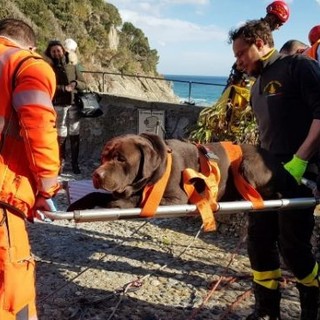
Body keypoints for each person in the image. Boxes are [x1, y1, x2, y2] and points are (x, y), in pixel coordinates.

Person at [229, 19, 320, 319]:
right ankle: (267, 310)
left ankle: (312, 307)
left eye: (242, 53)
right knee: (259, 242)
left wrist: (301, 160)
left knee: (294, 248)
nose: (239, 62)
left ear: (260, 42)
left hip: (300, 173)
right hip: (266, 175)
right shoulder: (257, 85)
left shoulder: (298, 67)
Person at [0, 18, 60, 319]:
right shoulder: (28, 65)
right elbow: (39, 128)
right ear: (33, 46)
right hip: (1, 198)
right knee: (13, 291)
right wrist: (48, 188)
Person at [44, 39, 87, 174]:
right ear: (50, 53)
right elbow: (47, 86)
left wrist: (75, 83)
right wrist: (64, 88)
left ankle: (75, 164)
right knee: (60, 136)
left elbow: (83, 83)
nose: (56, 53)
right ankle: (60, 163)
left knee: (75, 134)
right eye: (53, 51)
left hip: (74, 104)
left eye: (58, 50)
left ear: (63, 50)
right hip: (59, 105)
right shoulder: (48, 67)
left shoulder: (72, 65)